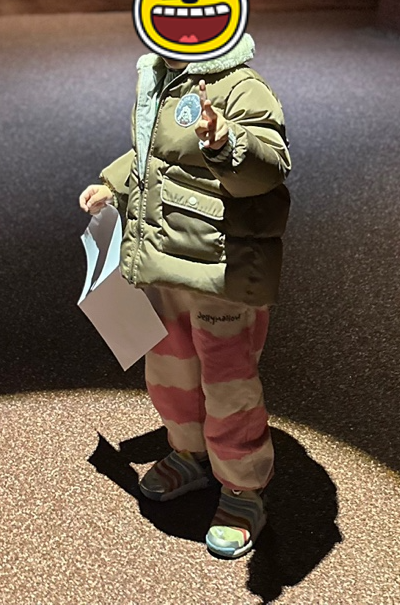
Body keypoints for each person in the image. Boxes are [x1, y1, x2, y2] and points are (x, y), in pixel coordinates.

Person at [79, 31, 290, 560]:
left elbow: (269, 167)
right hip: (161, 259)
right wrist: (115, 183)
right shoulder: (157, 77)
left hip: (219, 269)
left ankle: (242, 486)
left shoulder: (242, 86)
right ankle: (189, 452)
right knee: (169, 369)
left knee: (228, 381)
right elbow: (151, 154)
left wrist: (225, 142)